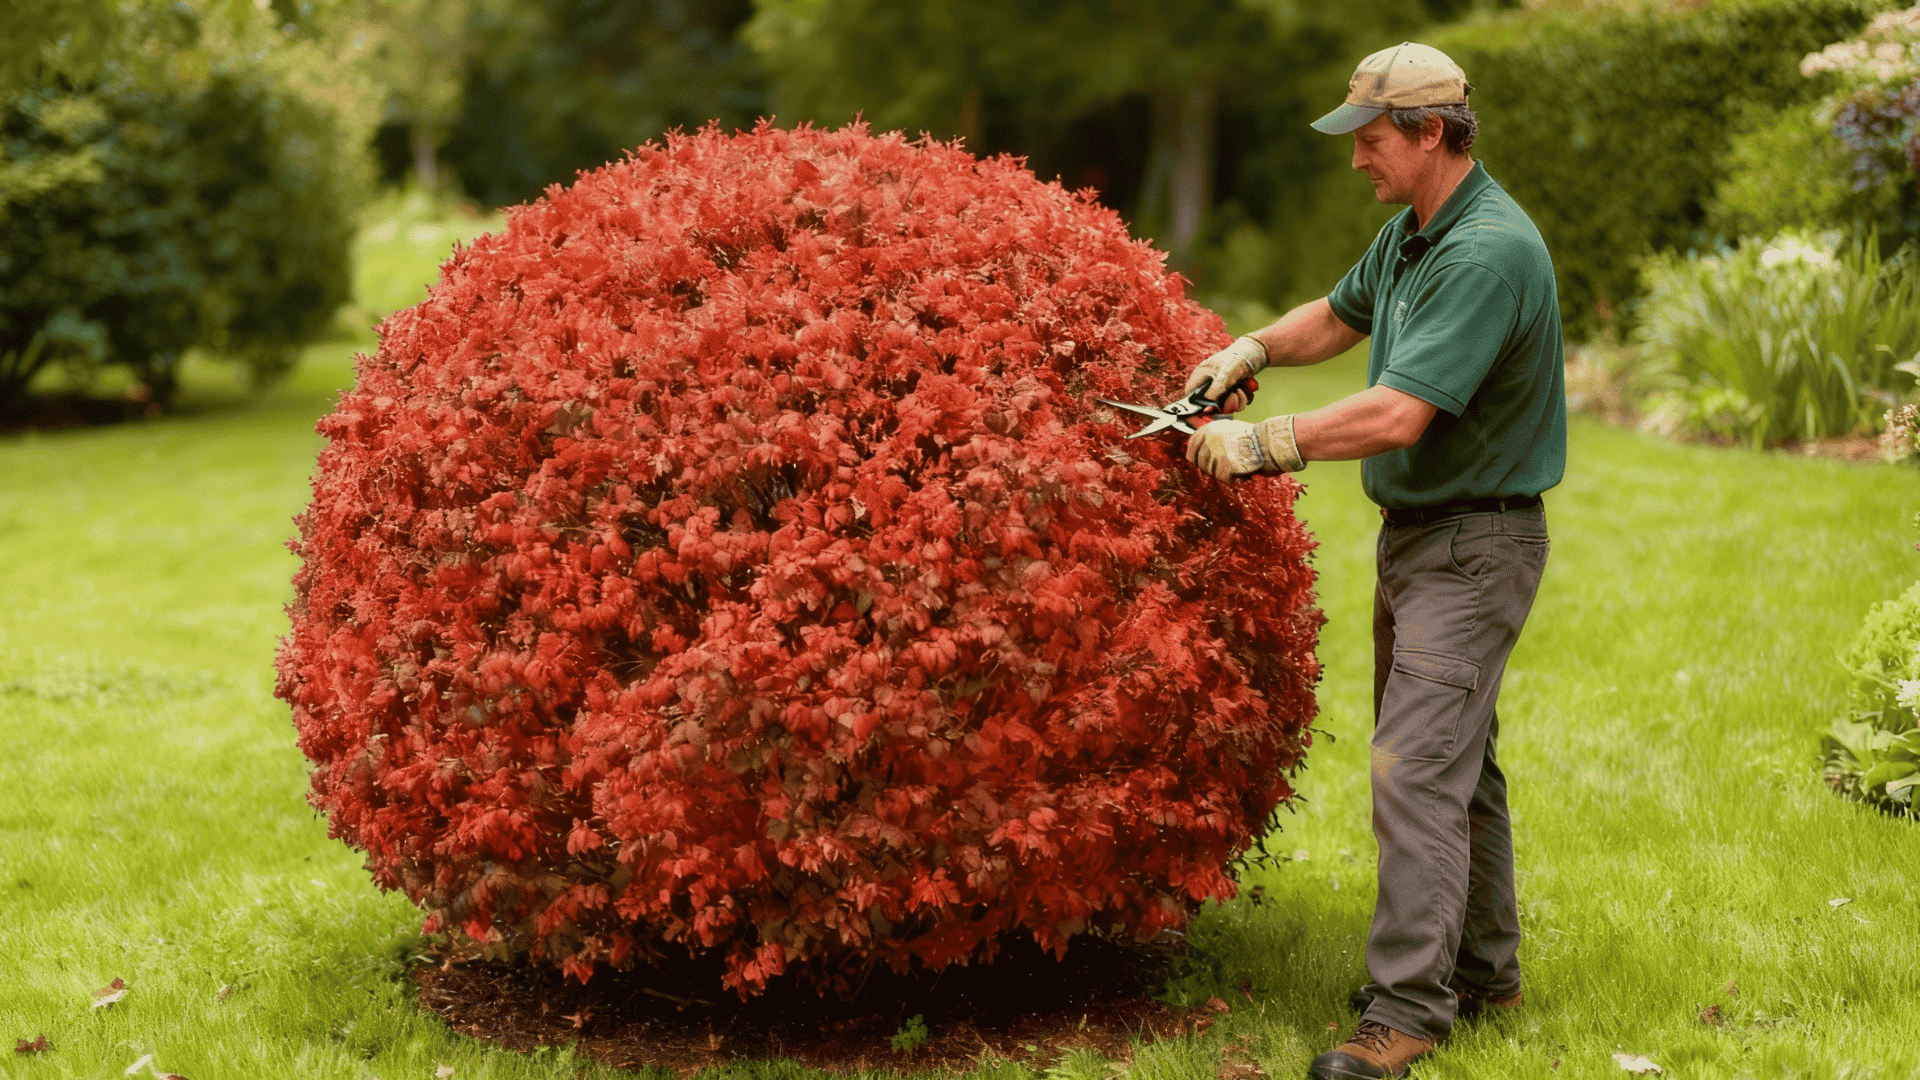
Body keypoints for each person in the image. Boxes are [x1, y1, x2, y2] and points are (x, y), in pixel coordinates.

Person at [1181, 41, 1567, 1080]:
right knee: (1458, 766)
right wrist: (1254, 349)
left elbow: (1398, 414)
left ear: (1432, 132)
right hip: (1423, 540)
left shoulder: (1485, 252)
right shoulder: (1414, 233)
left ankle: (1405, 1015)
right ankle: (1485, 975)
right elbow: (1338, 316)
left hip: (1474, 546)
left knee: (1413, 770)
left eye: (1373, 139)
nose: (1358, 159)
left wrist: (1267, 442)